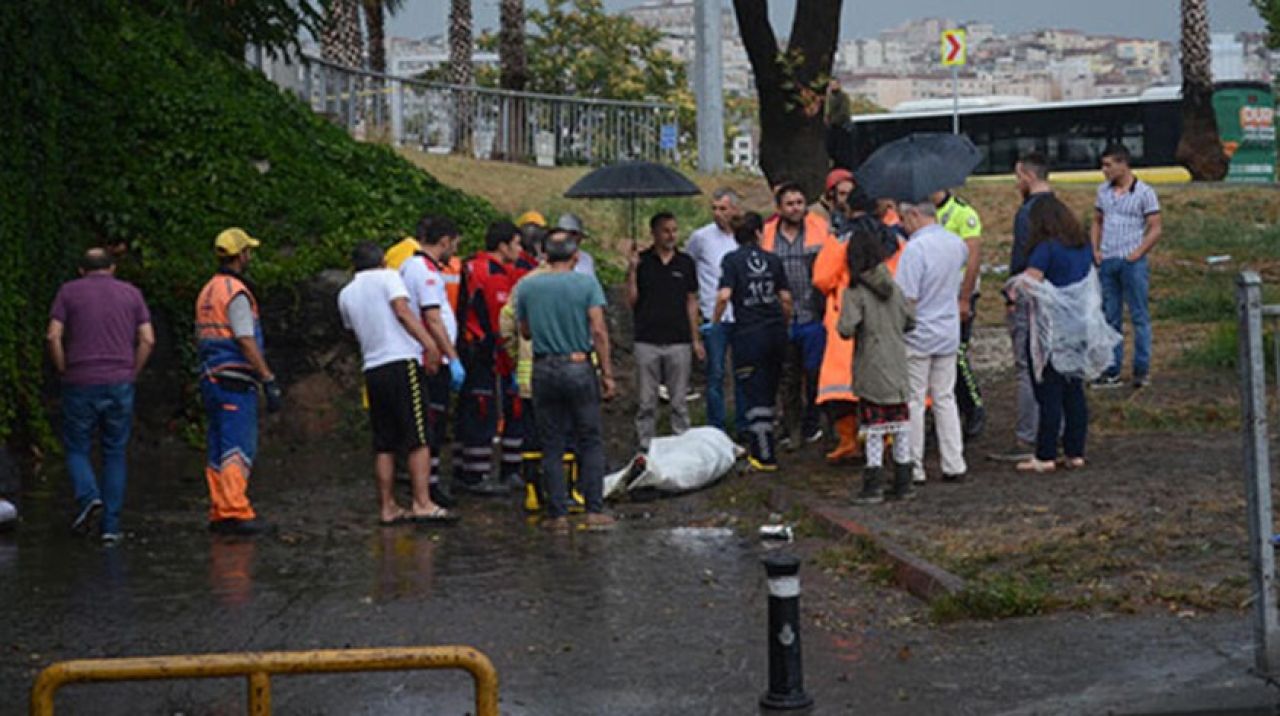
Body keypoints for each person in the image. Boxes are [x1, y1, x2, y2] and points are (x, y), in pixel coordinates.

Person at [338, 242, 454, 524]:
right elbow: (402, 311)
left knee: (384, 442)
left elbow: (351, 333)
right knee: (419, 436)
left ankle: (387, 507)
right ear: (381, 261)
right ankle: (422, 502)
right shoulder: (389, 277)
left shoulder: (346, 293)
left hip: (373, 367)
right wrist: (429, 344)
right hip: (402, 362)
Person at [47, 248, 155, 544]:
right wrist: (133, 370)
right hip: (120, 381)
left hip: (79, 380)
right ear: (113, 268)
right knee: (115, 452)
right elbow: (148, 338)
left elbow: (53, 335)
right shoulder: (132, 294)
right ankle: (110, 528)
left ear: (82, 270)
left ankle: (89, 497)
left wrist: (62, 368)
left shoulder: (68, 292)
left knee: (77, 448)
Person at [517, 231, 617, 534]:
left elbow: (525, 331)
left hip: (543, 367)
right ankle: (593, 510)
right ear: (575, 257)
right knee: (590, 439)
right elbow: (598, 330)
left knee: (552, 443)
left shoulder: (528, 286)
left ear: (545, 256)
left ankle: (558, 515)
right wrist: (608, 374)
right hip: (577, 365)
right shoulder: (586, 284)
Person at [195, 228, 282, 536]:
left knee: (217, 445)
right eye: (248, 251)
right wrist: (267, 377)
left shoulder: (208, 290)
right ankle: (235, 509)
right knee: (237, 444)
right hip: (234, 379)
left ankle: (220, 507)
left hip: (209, 377)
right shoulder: (236, 293)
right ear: (241, 255)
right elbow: (245, 340)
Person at [1011, 196, 1099, 473]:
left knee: (1048, 392)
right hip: (1079, 326)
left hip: (1050, 330)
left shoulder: (1045, 249)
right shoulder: (1083, 246)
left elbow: (1029, 285)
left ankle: (1045, 454)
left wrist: (1012, 288)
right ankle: (1075, 452)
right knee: (1074, 391)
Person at [838, 218, 916, 503]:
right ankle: (903, 482)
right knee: (900, 427)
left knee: (873, 431)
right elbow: (911, 321)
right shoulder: (893, 287)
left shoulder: (855, 292)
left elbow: (846, 329)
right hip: (897, 365)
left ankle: (873, 485)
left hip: (871, 367)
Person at [895, 200, 968, 484]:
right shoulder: (956, 243)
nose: (902, 224)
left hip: (918, 332)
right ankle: (954, 462)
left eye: (904, 218)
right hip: (947, 329)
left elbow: (907, 297)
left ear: (914, 215)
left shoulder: (915, 249)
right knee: (945, 398)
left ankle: (914, 464)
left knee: (914, 399)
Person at [715, 212, 793, 471]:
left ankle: (763, 454)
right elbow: (785, 298)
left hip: (749, 334)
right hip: (775, 332)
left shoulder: (732, 260)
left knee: (753, 392)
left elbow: (724, 296)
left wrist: (715, 322)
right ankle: (770, 443)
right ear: (759, 233)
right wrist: (785, 322)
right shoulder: (773, 260)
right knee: (771, 390)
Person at [991, 151, 1055, 463]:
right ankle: (1054, 430)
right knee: (1053, 367)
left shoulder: (1026, 214)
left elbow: (1022, 258)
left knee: (1026, 368)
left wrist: (1011, 296)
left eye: (1018, 177)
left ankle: (1026, 436)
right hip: (1056, 301)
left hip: (1028, 299)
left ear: (1028, 177)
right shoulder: (1060, 210)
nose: (1017, 183)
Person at [400, 216, 468, 507]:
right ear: (444, 241)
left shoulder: (412, 266)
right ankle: (427, 488)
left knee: (431, 425)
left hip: (426, 356)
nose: (454, 250)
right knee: (431, 425)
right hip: (430, 359)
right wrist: (451, 357)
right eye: (454, 243)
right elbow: (432, 318)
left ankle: (428, 483)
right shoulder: (424, 271)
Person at [456, 221, 528, 493]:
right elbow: (499, 320)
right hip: (484, 352)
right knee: (482, 410)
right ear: (503, 245)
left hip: (473, 349)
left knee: (474, 409)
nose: (519, 250)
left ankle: (469, 470)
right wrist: (510, 356)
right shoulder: (490, 272)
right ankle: (476, 476)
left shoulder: (474, 265)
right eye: (516, 244)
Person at [812, 184, 879, 465]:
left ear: (848, 207)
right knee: (880, 383)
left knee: (840, 385)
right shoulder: (892, 236)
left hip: (844, 317)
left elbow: (822, 278)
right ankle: (884, 439)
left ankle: (848, 439)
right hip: (881, 318)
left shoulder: (840, 237)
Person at [762, 182, 833, 450]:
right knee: (787, 377)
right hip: (781, 319)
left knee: (815, 374)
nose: (796, 208)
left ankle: (813, 423)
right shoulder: (768, 233)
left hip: (813, 316)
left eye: (800, 203)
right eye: (790, 204)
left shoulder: (819, 228)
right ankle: (792, 429)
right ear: (779, 208)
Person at [628, 212, 704, 452]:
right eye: (666, 231)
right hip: (647, 339)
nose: (671, 235)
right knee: (646, 401)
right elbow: (631, 301)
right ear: (654, 233)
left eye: (674, 230)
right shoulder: (642, 261)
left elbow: (691, 301)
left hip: (678, 339)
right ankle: (645, 447)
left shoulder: (685, 263)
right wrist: (631, 271)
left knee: (679, 401)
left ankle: (682, 445)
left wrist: (695, 338)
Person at [1092, 143, 1161, 389]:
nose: (1105, 170)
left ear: (1123, 164)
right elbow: (1097, 221)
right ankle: (1112, 369)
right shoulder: (1103, 192)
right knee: (1110, 316)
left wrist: (1138, 252)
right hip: (1108, 260)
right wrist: (1096, 250)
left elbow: (1155, 226)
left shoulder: (1144, 192)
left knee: (1139, 315)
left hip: (1132, 261)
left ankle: (1141, 369)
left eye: (1109, 165)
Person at [686, 188, 745, 436]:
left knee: (743, 371)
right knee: (716, 373)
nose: (718, 214)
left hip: (742, 315)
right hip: (714, 314)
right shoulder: (701, 238)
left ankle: (743, 424)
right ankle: (716, 427)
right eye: (714, 208)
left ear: (734, 210)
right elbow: (690, 265)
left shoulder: (743, 238)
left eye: (723, 208)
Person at [932, 188, 986, 439]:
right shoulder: (921, 213)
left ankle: (973, 406)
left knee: (957, 354)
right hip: (934, 296)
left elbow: (973, 257)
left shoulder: (963, 214)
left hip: (959, 293)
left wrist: (965, 298)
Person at [810, 168, 855, 237]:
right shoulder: (815, 212)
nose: (846, 198)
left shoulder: (844, 211)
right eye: (842, 193)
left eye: (850, 194)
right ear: (831, 192)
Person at [554, 213, 598, 281]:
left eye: (573, 233)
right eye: (565, 233)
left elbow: (593, 285)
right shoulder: (550, 258)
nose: (569, 237)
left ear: (580, 237)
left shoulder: (587, 259)